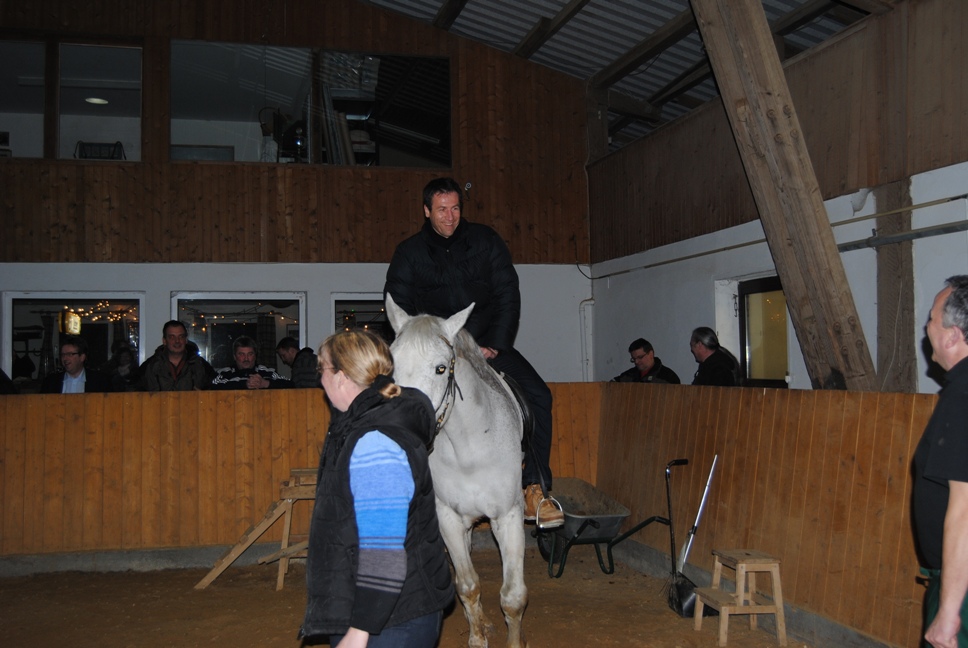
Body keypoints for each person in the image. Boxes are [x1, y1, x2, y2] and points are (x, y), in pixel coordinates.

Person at [384, 176, 563, 528]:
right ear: (426, 211)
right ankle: (405, 489)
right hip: (436, 352)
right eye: (441, 210)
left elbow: (507, 292)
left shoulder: (486, 241)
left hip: (488, 346)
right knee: (398, 405)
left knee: (540, 396)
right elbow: (399, 307)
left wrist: (495, 342)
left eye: (455, 208)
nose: (449, 217)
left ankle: (534, 489)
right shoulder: (409, 253)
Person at [300, 329, 455, 647]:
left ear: (342, 378)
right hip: (386, 612)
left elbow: (384, 551)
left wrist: (360, 631)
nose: (320, 379)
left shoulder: (375, 444)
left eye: (322, 369)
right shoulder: (359, 423)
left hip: (391, 622)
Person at [914, 275, 968, 648]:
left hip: (962, 587)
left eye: (932, 319)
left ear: (953, 335)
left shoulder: (963, 395)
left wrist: (948, 613)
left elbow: (965, 509)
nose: (926, 327)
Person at [140, 320, 212, 391]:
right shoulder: (151, 365)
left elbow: (215, 389)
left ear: (186, 340)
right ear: (164, 341)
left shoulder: (200, 365)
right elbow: (134, 391)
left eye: (181, 337)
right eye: (172, 337)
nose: (177, 341)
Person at [210, 335, 291, 390]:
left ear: (255, 356)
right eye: (241, 354)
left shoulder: (267, 371)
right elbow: (210, 387)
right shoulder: (224, 372)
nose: (246, 358)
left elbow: (290, 384)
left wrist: (265, 383)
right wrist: (245, 384)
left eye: (250, 354)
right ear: (235, 356)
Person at [39, 336, 113, 393]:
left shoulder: (100, 381)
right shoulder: (51, 382)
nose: (65, 358)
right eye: (63, 355)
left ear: (82, 357)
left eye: (70, 354)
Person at [612, 338, 681, 384]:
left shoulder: (668, 377)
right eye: (634, 359)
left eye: (640, 357)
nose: (636, 362)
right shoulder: (628, 375)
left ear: (651, 354)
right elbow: (611, 385)